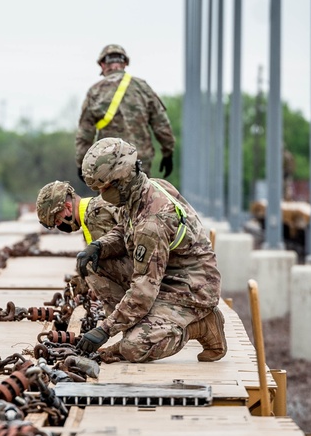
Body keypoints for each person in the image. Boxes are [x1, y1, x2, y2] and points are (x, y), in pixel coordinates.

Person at [74, 137, 226, 364]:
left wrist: (105, 330)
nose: (101, 194)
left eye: (104, 188)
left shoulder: (153, 222)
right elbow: (126, 228)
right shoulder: (144, 190)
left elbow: (144, 291)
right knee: (96, 263)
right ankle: (137, 324)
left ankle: (202, 324)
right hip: (166, 275)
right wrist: (100, 246)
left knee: (135, 347)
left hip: (190, 289)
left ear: (121, 179)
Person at [75, 44, 176, 181]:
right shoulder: (142, 87)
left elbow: (85, 134)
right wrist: (167, 152)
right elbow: (161, 125)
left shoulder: (95, 92)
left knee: (109, 202)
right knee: (140, 200)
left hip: (108, 164)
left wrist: (81, 164)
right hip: (139, 163)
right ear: (125, 63)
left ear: (103, 65)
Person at [36, 179, 132, 316]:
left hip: (150, 274)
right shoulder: (91, 211)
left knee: (88, 265)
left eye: (57, 220)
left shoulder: (95, 215)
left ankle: (124, 317)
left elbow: (117, 251)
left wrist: (86, 278)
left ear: (68, 207)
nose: (59, 226)